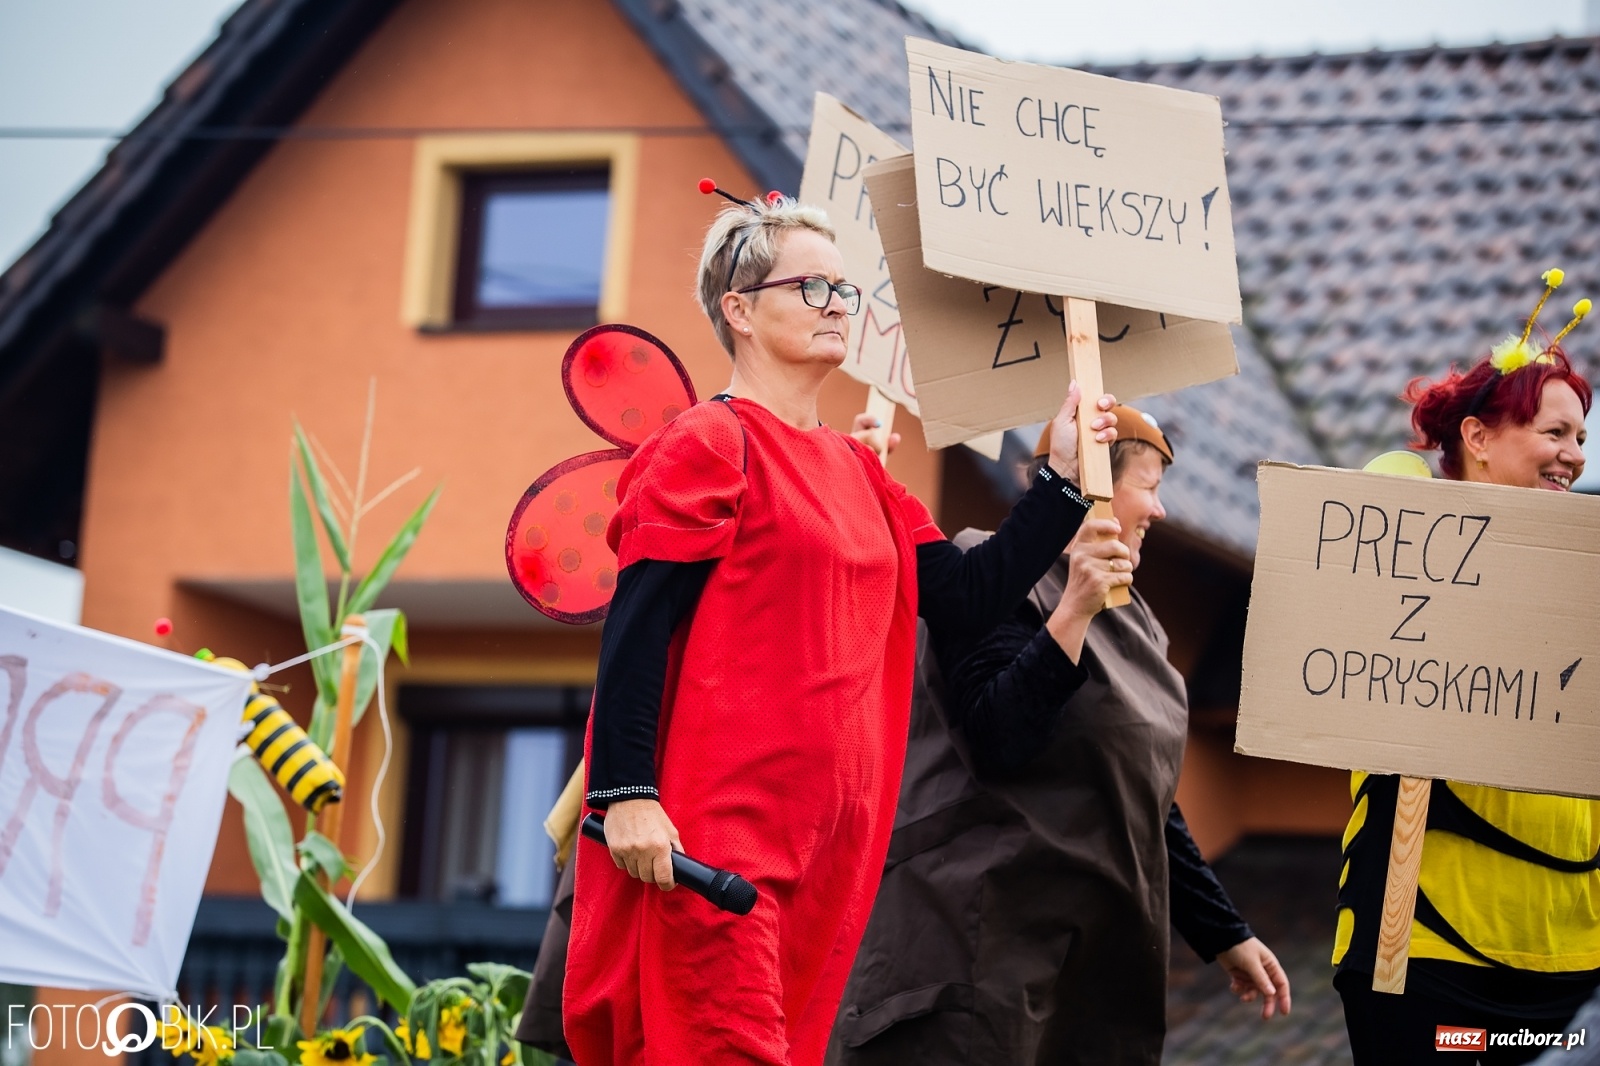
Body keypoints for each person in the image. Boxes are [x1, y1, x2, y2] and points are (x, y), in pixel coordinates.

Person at [561, 188, 1120, 1066]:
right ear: (739, 310)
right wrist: (624, 793)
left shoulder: (857, 470)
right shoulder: (707, 441)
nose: (837, 307)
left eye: (844, 291)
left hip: (836, 853)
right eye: (811, 288)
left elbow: (968, 597)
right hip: (722, 838)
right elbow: (635, 628)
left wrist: (1055, 477)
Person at [827, 408, 1290, 1065]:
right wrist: (1071, 613)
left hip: (1089, 965)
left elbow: (1139, 796)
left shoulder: (1143, 629)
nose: (1158, 510)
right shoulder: (989, 576)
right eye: (1149, 485)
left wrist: (1222, 931)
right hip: (974, 950)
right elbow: (999, 738)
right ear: (1098, 487)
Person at [1332, 273, 1597, 1064]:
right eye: (1555, 434)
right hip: (1429, 953)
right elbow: (1392, 480)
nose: (1573, 458)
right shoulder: (1406, 514)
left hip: (1568, 952)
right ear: (1478, 439)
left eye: (1582, 439)